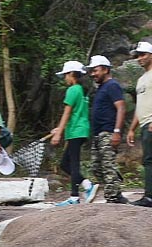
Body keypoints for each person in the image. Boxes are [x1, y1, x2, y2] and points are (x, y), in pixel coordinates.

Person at [51, 60, 96, 206]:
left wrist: (58, 133)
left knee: (74, 163)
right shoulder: (81, 90)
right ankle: (87, 184)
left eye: (65, 75)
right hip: (80, 130)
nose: (65, 78)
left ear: (72, 74)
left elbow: (67, 112)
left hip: (76, 130)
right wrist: (59, 129)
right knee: (65, 163)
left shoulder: (73, 90)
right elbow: (75, 113)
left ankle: (74, 197)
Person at [86, 54, 129, 204]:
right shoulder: (101, 88)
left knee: (107, 165)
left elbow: (121, 108)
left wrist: (116, 132)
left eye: (95, 70)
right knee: (96, 167)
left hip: (108, 132)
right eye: (91, 71)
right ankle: (115, 190)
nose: (93, 74)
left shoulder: (112, 85)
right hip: (98, 134)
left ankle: (114, 197)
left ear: (105, 69)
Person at [127, 42, 152, 207]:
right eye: (137, 55)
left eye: (143, 54)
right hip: (144, 124)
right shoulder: (141, 79)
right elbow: (140, 105)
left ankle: (150, 197)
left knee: (150, 160)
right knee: (148, 160)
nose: (139, 58)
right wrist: (131, 129)